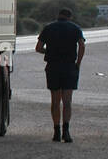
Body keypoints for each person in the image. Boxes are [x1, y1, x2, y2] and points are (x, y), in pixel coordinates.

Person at [35, 8, 86, 142]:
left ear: (58, 16)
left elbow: (38, 48)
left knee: (55, 101)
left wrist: (49, 51)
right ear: (70, 17)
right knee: (67, 101)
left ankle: (56, 131)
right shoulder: (75, 28)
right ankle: (66, 131)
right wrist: (78, 62)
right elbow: (82, 45)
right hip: (69, 66)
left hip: (53, 67)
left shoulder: (49, 28)